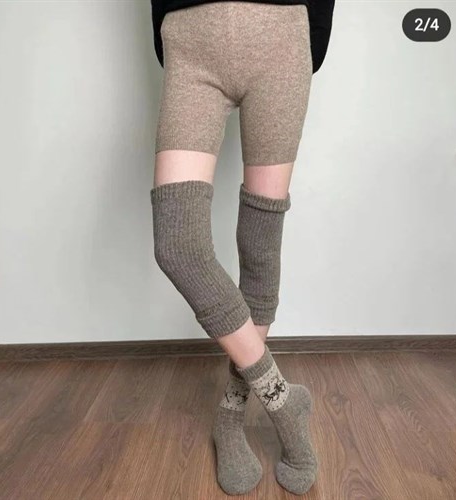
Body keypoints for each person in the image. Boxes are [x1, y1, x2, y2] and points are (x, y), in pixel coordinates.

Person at [149, 0, 335, 495]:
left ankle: (231, 413)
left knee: (260, 243)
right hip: (190, 39)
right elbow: (176, 250)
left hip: (281, 34)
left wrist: (309, 39)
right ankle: (283, 400)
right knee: (178, 245)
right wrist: (167, 29)